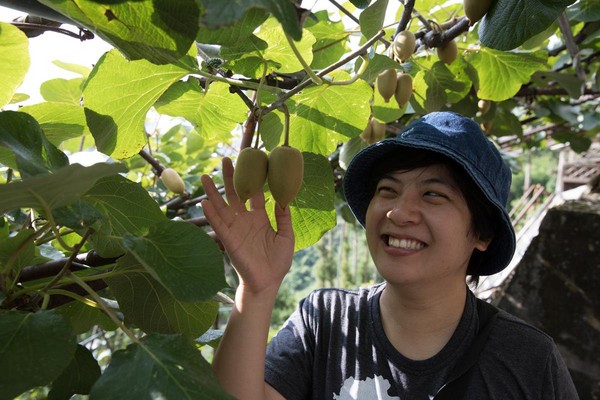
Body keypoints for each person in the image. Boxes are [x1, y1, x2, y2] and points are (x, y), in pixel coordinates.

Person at [200, 111, 579, 399]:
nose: (398, 212)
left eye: (433, 194)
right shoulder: (325, 322)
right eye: (387, 190)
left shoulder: (527, 358)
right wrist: (257, 290)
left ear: (482, 233)